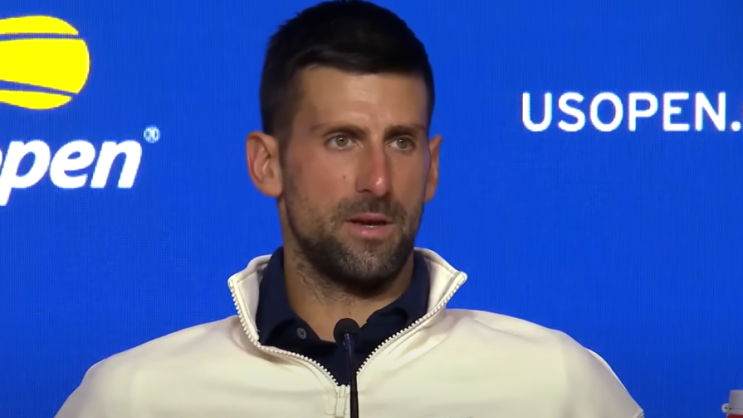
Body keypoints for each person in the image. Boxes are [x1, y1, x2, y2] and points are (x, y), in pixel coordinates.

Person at [55, 1, 644, 417]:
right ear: (266, 164)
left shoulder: (557, 388)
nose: (378, 180)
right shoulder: (135, 398)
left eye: (402, 142)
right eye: (342, 140)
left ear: (432, 167)